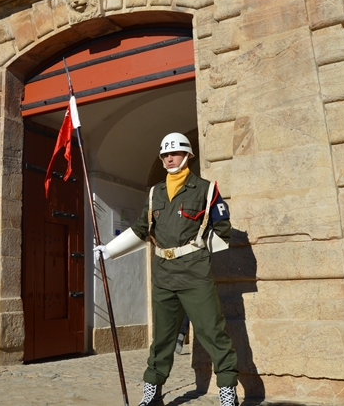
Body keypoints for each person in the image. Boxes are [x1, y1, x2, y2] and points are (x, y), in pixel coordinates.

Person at [95, 133, 238, 406]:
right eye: (165, 155)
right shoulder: (154, 192)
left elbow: (223, 230)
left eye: (175, 153)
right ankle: (153, 393)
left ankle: (227, 392)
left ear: (187, 156)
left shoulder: (206, 190)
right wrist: (110, 250)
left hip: (195, 275)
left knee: (213, 333)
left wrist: (197, 252)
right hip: (163, 274)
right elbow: (141, 229)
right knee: (161, 339)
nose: (169, 158)